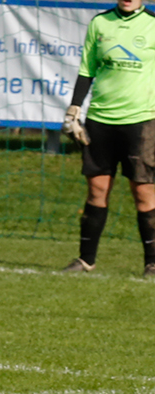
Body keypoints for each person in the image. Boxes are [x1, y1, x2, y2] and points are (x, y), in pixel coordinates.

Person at [61, 0, 155, 278]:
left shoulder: (152, 24)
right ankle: (85, 260)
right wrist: (74, 108)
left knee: (144, 193)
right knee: (97, 190)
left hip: (141, 121)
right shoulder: (100, 22)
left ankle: (152, 263)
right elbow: (86, 70)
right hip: (100, 120)